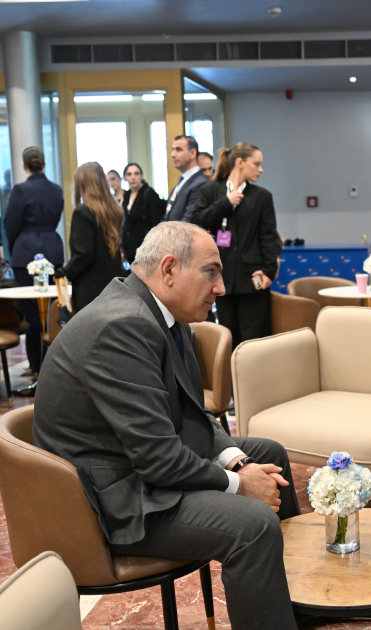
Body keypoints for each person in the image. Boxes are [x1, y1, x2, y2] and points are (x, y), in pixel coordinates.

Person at [33, 222, 300, 630]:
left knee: (269, 454)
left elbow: (196, 413)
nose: (221, 287)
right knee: (253, 524)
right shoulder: (122, 325)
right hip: (114, 500)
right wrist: (239, 484)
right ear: (170, 269)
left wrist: (239, 462)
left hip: (136, 464)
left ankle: (291, 608)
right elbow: (158, 460)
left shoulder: (162, 316)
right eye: (211, 272)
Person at [192, 143, 281, 348]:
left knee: (254, 340)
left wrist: (269, 271)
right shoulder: (210, 190)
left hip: (253, 277)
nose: (260, 169)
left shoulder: (262, 196)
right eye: (256, 164)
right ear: (240, 162)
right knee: (228, 337)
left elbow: (268, 237)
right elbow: (196, 223)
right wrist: (226, 202)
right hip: (221, 277)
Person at [3, 146, 65, 375]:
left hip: (25, 251)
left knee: (31, 313)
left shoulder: (20, 190)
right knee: (52, 311)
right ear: (44, 164)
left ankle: (37, 366)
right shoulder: (56, 189)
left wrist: (15, 248)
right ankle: (55, 365)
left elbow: (10, 225)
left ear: (24, 165)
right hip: (53, 250)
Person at [55, 162, 125, 313]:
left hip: (89, 289)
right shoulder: (115, 211)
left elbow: (85, 253)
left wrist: (64, 272)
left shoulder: (82, 212)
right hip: (113, 285)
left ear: (81, 184)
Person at [120, 162, 165, 265]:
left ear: (141, 175)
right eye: (129, 174)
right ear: (125, 177)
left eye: (136, 173)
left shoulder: (149, 193)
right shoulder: (126, 195)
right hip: (130, 248)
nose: (133, 177)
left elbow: (156, 222)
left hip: (146, 246)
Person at [164, 135, 209, 223]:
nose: (172, 154)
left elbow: (188, 222)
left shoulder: (200, 183)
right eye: (173, 149)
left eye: (178, 149)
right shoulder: (182, 181)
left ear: (192, 153)